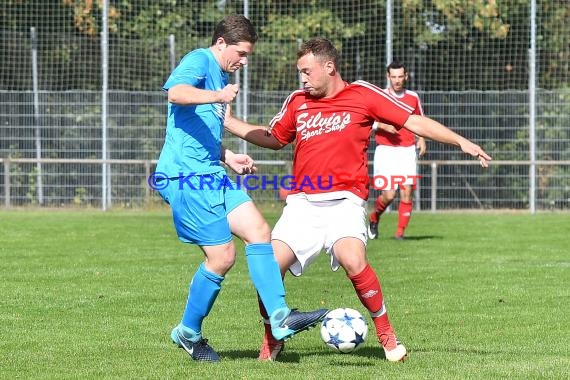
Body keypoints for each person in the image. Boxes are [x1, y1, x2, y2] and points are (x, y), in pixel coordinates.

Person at [224, 37, 491, 362]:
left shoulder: (362, 95)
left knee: (352, 259)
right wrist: (227, 122)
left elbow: (413, 121)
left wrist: (460, 141)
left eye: (307, 71)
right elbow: (273, 138)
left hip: (345, 204)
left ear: (329, 67)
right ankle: (273, 338)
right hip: (302, 204)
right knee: (268, 267)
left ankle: (387, 337)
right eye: (300, 73)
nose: (303, 79)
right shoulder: (298, 101)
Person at [154, 15, 328, 363]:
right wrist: (218, 94)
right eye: (241, 53)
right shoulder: (200, 60)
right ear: (221, 43)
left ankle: (279, 317)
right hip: (186, 178)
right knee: (222, 258)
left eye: (248, 55)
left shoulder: (220, 73)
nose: (244, 62)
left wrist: (227, 155)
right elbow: (176, 93)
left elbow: (195, 127)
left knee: (259, 230)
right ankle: (188, 333)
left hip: (211, 173)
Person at [368, 61, 426, 240]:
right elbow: (368, 121)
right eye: (393, 77)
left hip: (407, 150)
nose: (397, 80)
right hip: (385, 151)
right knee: (389, 195)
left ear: (406, 76)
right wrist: (383, 126)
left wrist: (422, 139)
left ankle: (400, 234)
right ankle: (374, 216)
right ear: (388, 77)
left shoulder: (412, 97)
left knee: (407, 191)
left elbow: (420, 120)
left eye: (400, 76)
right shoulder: (379, 96)